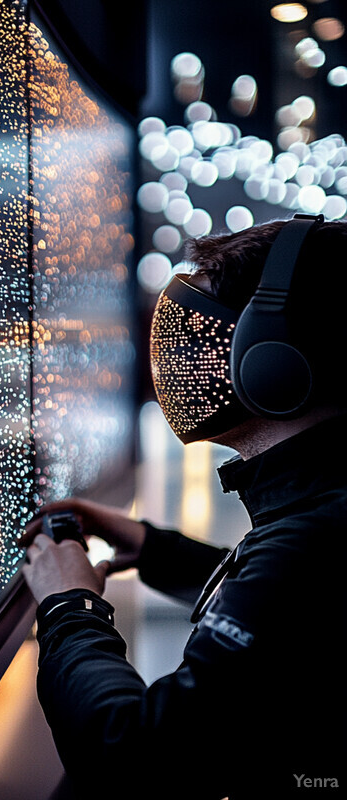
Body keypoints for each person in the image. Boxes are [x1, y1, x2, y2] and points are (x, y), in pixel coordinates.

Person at [19, 215, 347, 799]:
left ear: (272, 361)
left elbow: (134, 759)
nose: (178, 353)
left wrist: (71, 608)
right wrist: (154, 548)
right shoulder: (321, 509)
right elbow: (292, 622)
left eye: (201, 332)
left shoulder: (312, 538)